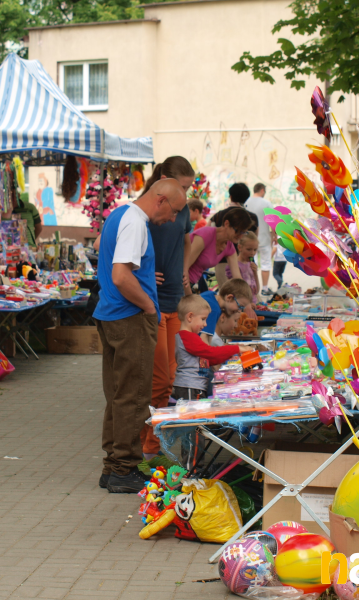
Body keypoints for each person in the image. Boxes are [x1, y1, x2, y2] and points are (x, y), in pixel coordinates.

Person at [94, 178, 187, 494]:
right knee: (134, 396)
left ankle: (113, 466)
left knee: (118, 395)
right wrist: (149, 306)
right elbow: (121, 276)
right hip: (130, 317)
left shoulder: (120, 214)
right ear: (160, 200)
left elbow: (108, 260)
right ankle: (124, 468)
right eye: (174, 211)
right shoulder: (135, 222)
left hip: (112, 314)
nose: (172, 219)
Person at [143, 156, 196, 461]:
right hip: (153, 303)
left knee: (173, 379)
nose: (185, 195)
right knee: (159, 381)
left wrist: (184, 269)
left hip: (175, 298)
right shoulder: (147, 208)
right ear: (165, 180)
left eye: (189, 188)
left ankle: (155, 444)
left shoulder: (182, 207)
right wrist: (143, 273)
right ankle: (148, 448)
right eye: (183, 187)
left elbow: (186, 241)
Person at [172, 295, 250, 401]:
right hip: (189, 387)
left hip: (194, 387)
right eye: (203, 319)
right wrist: (236, 349)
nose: (205, 324)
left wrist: (229, 355)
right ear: (190, 317)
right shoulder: (187, 337)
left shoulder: (191, 336)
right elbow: (210, 352)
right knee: (192, 411)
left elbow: (208, 360)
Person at [186, 207, 253, 291]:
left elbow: (237, 278)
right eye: (237, 231)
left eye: (243, 232)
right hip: (178, 280)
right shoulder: (205, 235)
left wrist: (247, 294)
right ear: (226, 224)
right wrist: (189, 294)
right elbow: (182, 269)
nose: (240, 236)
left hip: (191, 283)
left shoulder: (229, 247)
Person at [199, 278, 254, 343]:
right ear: (229, 298)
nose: (239, 311)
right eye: (239, 306)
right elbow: (204, 341)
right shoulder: (214, 310)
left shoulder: (211, 294)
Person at [245, 183, 274, 292]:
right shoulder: (266, 203)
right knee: (266, 263)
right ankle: (265, 288)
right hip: (265, 238)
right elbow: (273, 221)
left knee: (252, 264)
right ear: (262, 190)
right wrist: (274, 235)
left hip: (249, 239)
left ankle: (252, 288)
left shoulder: (246, 203)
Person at [225, 231, 259, 297]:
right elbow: (230, 289)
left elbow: (256, 291)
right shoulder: (234, 266)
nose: (252, 253)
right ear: (240, 247)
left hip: (253, 300)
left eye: (255, 250)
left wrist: (255, 273)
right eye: (249, 249)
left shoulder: (251, 265)